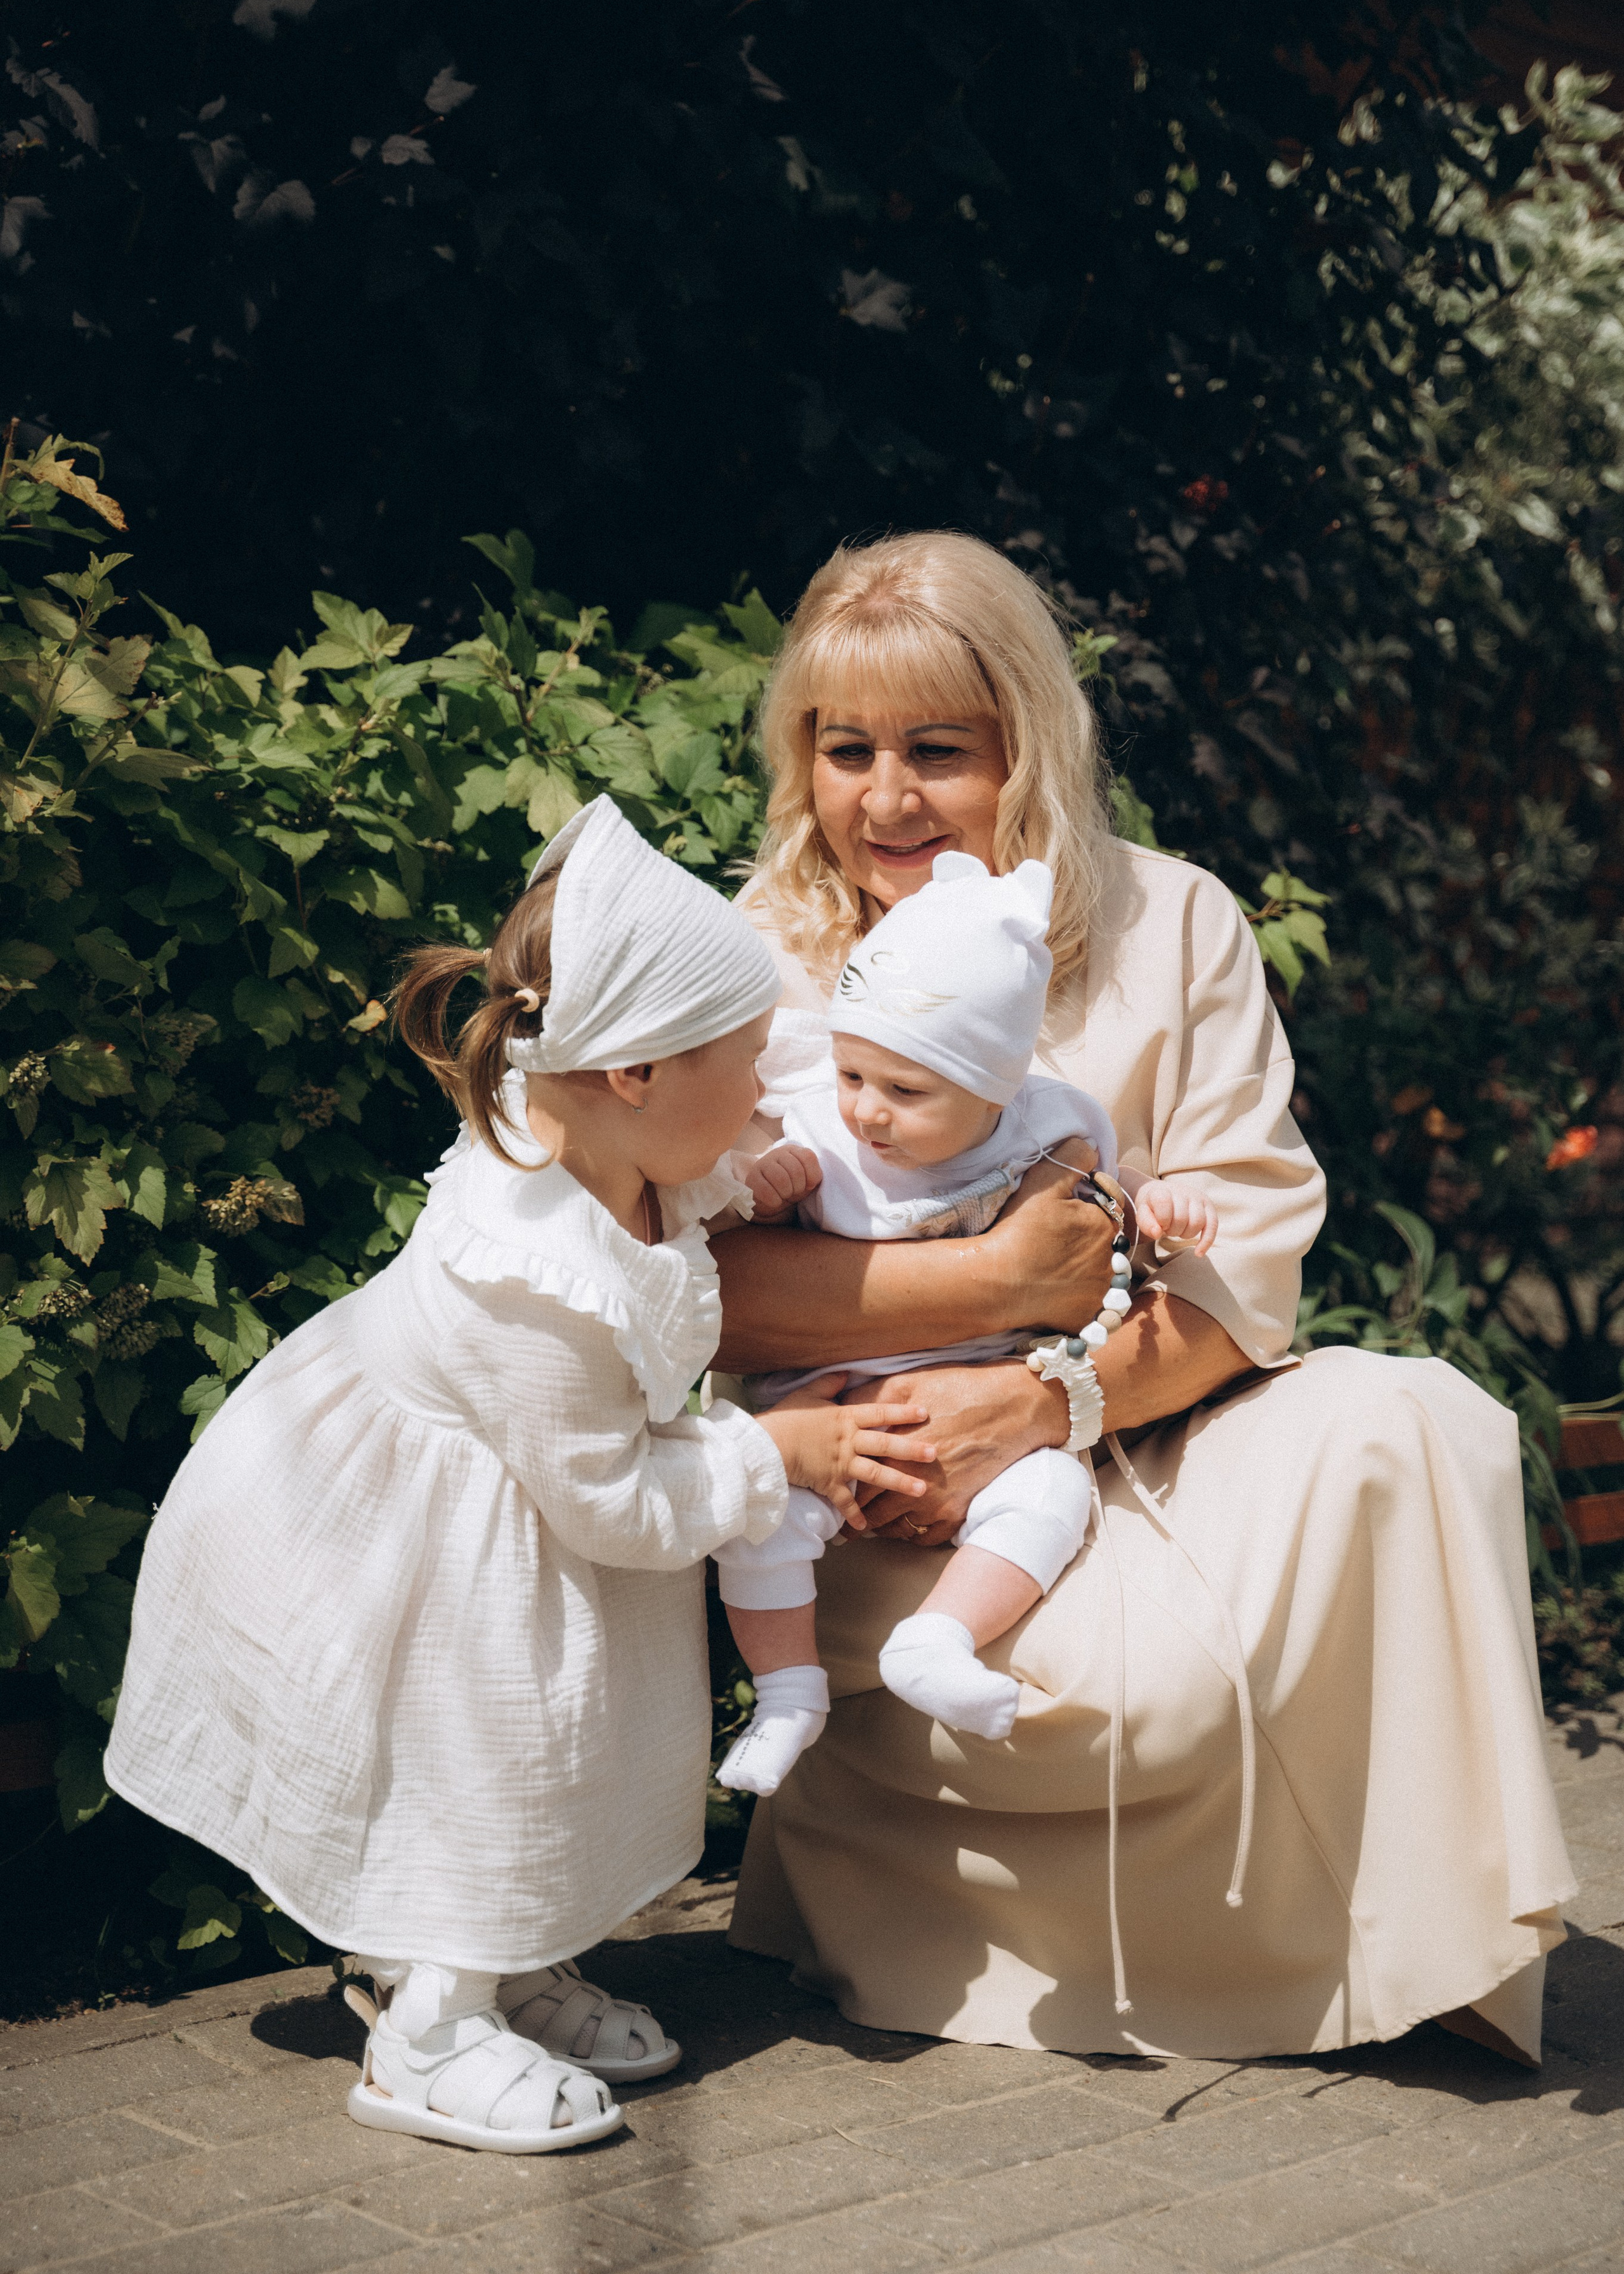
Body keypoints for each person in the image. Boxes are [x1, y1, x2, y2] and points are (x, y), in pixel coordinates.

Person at [713, 529, 1575, 2066]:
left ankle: (1428, 1943)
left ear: (1025, 743)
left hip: (1142, 1417)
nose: (887, 798)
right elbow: (700, 1295)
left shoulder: (1170, 922)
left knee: (1418, 1419)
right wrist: (984, 1289)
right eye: (846, 750)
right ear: (802, 758)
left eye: (938, 749)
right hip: (865, 1468)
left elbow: (1243, 1260)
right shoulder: (757, 957)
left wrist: (1051, 1396)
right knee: (1123, 1681)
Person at [105, 795, 929, 2155]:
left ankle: (514, 1960)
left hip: (515, 1506)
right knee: (477, 1757)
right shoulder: (529, 1270)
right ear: (632, 1075)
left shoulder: (608, 1137)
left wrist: (755, 1175)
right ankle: (427, 2025)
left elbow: (688, 1193)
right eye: (747, 1063)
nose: (771, 1093)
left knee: (563, 1755)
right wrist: (770, 1450)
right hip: (403, 1529)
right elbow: (609, 1501)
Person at [711, 849, 1216, 1798]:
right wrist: (766, 1188)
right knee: (756, 1510)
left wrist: (1158, 1205)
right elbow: (748, 1243)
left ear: (996, 1089)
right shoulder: (819, 1131)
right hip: (834, 1413)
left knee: (1054, 1497)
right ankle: (786, 1691)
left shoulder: (1047, 1122)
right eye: (853, 1072)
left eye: (906, 1093)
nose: (869, 1112)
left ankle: (939, 1640)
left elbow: (1105, 1196)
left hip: (992, 1398)